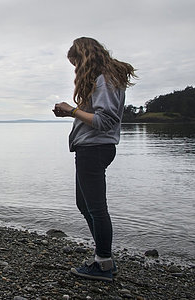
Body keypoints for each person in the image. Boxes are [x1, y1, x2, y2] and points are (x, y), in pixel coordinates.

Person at [53, 37, 136, 282]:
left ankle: (103, 263)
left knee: (97, 208)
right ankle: (103, 255)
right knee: (85, 204)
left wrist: (72, 110)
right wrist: (72, 115)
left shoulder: (105, 80)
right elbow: (96, 118)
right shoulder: (104, 79)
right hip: (90, 148)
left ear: (86, 56)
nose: (77, 70)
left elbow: (104, 121)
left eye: (77, 63)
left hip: (95, 149)